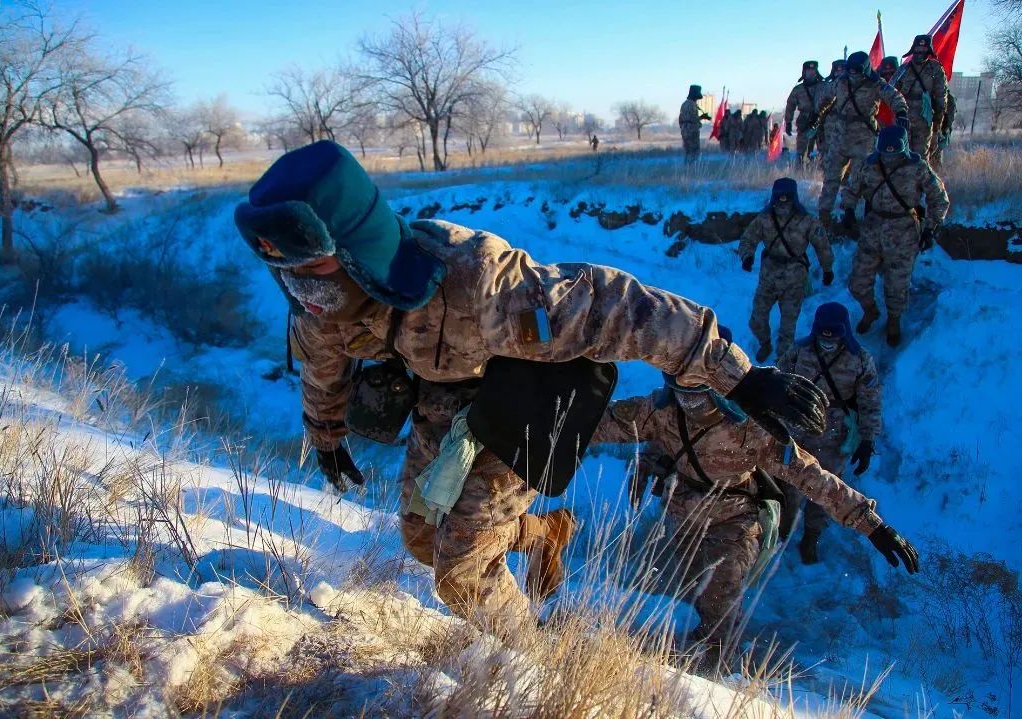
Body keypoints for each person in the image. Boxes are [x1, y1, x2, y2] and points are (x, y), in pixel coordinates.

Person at [235, 140, 830, 636]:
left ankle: (528, 661)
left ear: (356, 249)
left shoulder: (480, 285)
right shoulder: (321, 306)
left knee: (459, 570)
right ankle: (546, 532)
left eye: (312, 271)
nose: (302, 291)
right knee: (421, 537)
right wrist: (327, 435)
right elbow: (322, 365)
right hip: (447, 398)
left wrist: (741, 375)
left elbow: (619, 307)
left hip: (526, 402)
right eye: (285, 273)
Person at [592, 333, 918, 664]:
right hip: (683, 519)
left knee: (721, 602)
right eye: (682, 389)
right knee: (693, 595)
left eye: (698, 390)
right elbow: (596, 424)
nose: (690, 401)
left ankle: (712, 679)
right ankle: (686, 661)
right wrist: (546, 435)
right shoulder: (658, 411)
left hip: (735, 521)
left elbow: (812, 477)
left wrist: (872, 525)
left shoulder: (751, 427)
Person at [777, 303, 881, 563]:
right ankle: (783, 530)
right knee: (788, 481)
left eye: (833, 337)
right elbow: (777, 383)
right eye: (823, 336)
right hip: (797, 427)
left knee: (827, 489)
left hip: (833, 434)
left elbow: (871, 402)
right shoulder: (798, 351)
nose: (828, 342)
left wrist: (867, 440)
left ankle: (811, 537)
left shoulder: (860, 360)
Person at [840, 125, 950, 346]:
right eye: (885, 153)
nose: (889, 157)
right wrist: (849, 210)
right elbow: (851, 190)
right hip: (872, 229)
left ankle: (894, 321)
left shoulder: (917, 167)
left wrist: (930, 227)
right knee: (857, 281)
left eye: (894, 153)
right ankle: (870, 311)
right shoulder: (868, 166)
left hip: (904, 232)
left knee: (897, 285)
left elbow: (939, 198)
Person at [738, 178, 833, 362]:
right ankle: (765, 343)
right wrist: (747, 256)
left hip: (794, 279)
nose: (783, 203)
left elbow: (823, 246)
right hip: (769, 276)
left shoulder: (807, 221)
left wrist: (827, 269)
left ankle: (782, 360)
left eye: (786, 198)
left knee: (788, 326)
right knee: (757, 319)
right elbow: (748, 239)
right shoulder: (764, 219)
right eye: (779, 198)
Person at [816, 52, 908, 229]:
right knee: (831, 177)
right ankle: (824, 215)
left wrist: (901, 112)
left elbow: (895, 97)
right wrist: (818, 113)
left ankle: (848, 213)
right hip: (840, 136)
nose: (853, 73)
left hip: (864, 138)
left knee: (857, 180)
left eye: (856, 70)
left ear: (865, 69)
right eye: (849, 70)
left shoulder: (875, 84)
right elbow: (825, 97)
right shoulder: (841, 81)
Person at [893, 35, 949, 163]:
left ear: (928, 51)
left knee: (920, 158)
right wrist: (898, 113)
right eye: (917, 49)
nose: (920, 53)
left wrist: (937, 124)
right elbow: (892, 92)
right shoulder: (904, 69)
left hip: (924, 119)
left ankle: (919, 182)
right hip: (903, 119)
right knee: (900, 156)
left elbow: (941, 97)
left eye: (923, 50)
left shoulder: (935, 68)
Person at [785, 61, 824, 164]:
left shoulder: (824, 87)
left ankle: (821, 174)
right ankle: (801, 173)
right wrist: (788, 122)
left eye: (813, 70)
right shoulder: (798, 90)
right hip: (805, 122)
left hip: (822, 121)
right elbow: (790, 105)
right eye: (809, 70)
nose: (811, 72)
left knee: (825, 150)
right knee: (803, 152)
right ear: (804, 72)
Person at [811, 59, 847, 160]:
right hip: (829, 126)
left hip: (848, 126)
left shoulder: (853, 88)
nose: (839, 74)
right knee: (829, 157)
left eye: (842, 71)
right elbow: (820, 106)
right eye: (837, 71)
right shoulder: (826, 86)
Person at [679, 85, 712, 162]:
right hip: (692, 131)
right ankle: (693, 169)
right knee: (694, 152)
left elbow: (680, 119)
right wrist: (703, 117)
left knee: (687, 152)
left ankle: (687, 169)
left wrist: (684, 128)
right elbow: (693, 118)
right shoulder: (692, 105)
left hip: (684, 131)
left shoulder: (684, 104)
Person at [931, 90, 956, 169]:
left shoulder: (948, 98)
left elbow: (949, 118)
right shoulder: (945, 97)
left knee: (936, 157)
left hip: (941, 132)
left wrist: (944, 130)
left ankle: (937, 176)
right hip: (939, 131)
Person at [876, 57, 900, 130]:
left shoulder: (905, 84)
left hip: (899, 127)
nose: (888, 76)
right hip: (879, 127)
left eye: (892, 73)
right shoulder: (875, 85)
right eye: (885, 74)